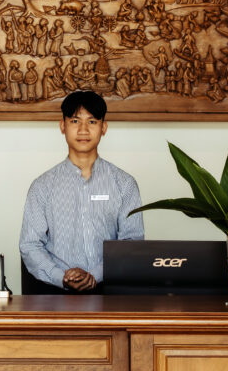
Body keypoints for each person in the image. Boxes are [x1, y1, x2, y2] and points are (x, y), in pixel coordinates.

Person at [20, 90, 144, 292]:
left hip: (110, 292)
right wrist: (61, 277)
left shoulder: (124, 184)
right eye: (75, 121)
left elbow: (132, 242)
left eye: (92, 122)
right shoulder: (42, 186)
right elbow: (30, 245)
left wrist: (95, 275)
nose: (83, 130)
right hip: (54, 293)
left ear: (104, 128)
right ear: (63, 126)